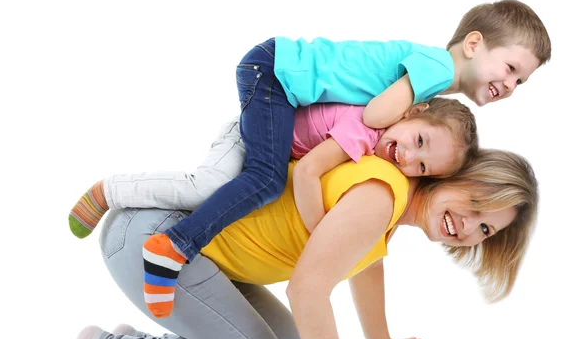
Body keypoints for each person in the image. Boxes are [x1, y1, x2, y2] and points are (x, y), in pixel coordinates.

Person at [68, 0, 549, 319]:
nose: (510, 85)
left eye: (520, 82)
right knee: (260, 181)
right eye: (510, 69)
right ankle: (157, 232)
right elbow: (380, 111)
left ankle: (165, 237)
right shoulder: (435, 70)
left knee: (223, 180)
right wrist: (327, 230)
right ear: (473, 44)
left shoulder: (426, 89)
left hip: (283, 89)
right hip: (275, 72)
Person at [32, 126, 538, 339]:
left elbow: (367, 263)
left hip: (190, 254)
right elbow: (306, 289)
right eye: (474, 204)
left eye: (485, 228)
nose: (467, 227)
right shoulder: (382, 195)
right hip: (154, 241)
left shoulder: (391, 205)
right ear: (455, 176)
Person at [69, 97, 478, 317]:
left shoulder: (376, 156)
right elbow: (304, 176)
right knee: (206, 185)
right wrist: (322, 235)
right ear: (414, 110)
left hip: (268, 144)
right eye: (419, 141)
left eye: (421, 166)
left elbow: (368, 263)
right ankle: (110, 191)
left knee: (242, 186)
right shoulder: (361, 134)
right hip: (253, 133)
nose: (407, 157)